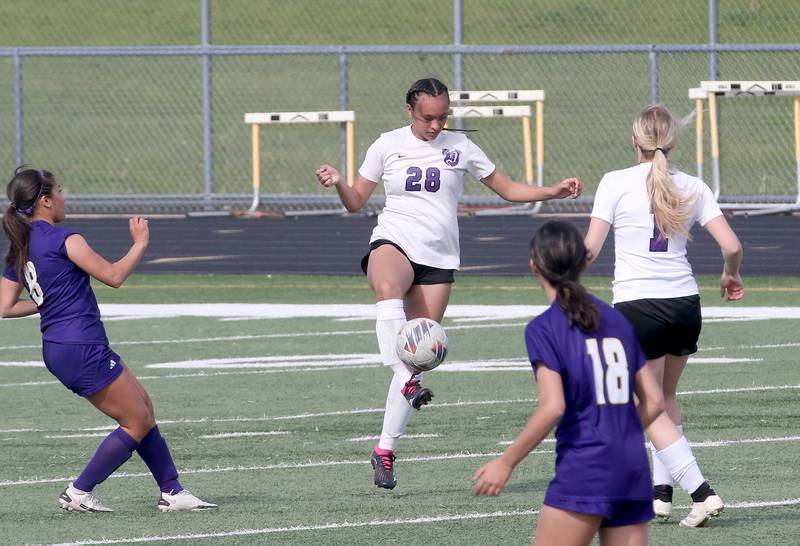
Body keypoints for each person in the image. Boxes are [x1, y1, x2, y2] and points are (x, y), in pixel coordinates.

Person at [315, 77, 582, 490]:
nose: (436, 126)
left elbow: (507, 188)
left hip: (438, 259)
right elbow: (356, 203)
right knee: (388, 291)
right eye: (428, 118)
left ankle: (384, 448)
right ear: (410, 111)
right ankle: (404, 379)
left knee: (416, 355)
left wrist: (553, 190)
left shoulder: (461, 148)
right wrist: (339, 183)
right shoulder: (387, 144)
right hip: (394, 241)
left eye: (443, 117)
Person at [0, 167, 216, 513]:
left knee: (142, 408)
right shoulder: (64, 238)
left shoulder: (21, 245)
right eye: (59, 191)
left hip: (62, 347)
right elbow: (113, 276)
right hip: (79, 347)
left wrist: (48, 302)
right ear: (44, 201)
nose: (64, 197)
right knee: (136, 420)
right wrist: (140, 243)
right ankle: (79, 491)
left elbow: (5, 307)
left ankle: (172, 491)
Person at [584, 104, 744, 527]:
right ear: (671, 142)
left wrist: (561, 280)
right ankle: (660, 496)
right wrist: (730, 275)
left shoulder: (614, 182)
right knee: (665, 399)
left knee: (647, 406)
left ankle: (702, 492)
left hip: (639, 306)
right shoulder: (693, 185)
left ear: (633, 141)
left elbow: (590, 249)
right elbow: (731, 245)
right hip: (685, 304)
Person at [473, 220, 665, 546]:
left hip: (586, 467)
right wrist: (620, 435)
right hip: (631, 465)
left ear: (534, 267)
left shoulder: (544, 328)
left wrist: (506, 462)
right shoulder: (617, 319)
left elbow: (553, 407)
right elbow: (655, 401)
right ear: (584, 263)